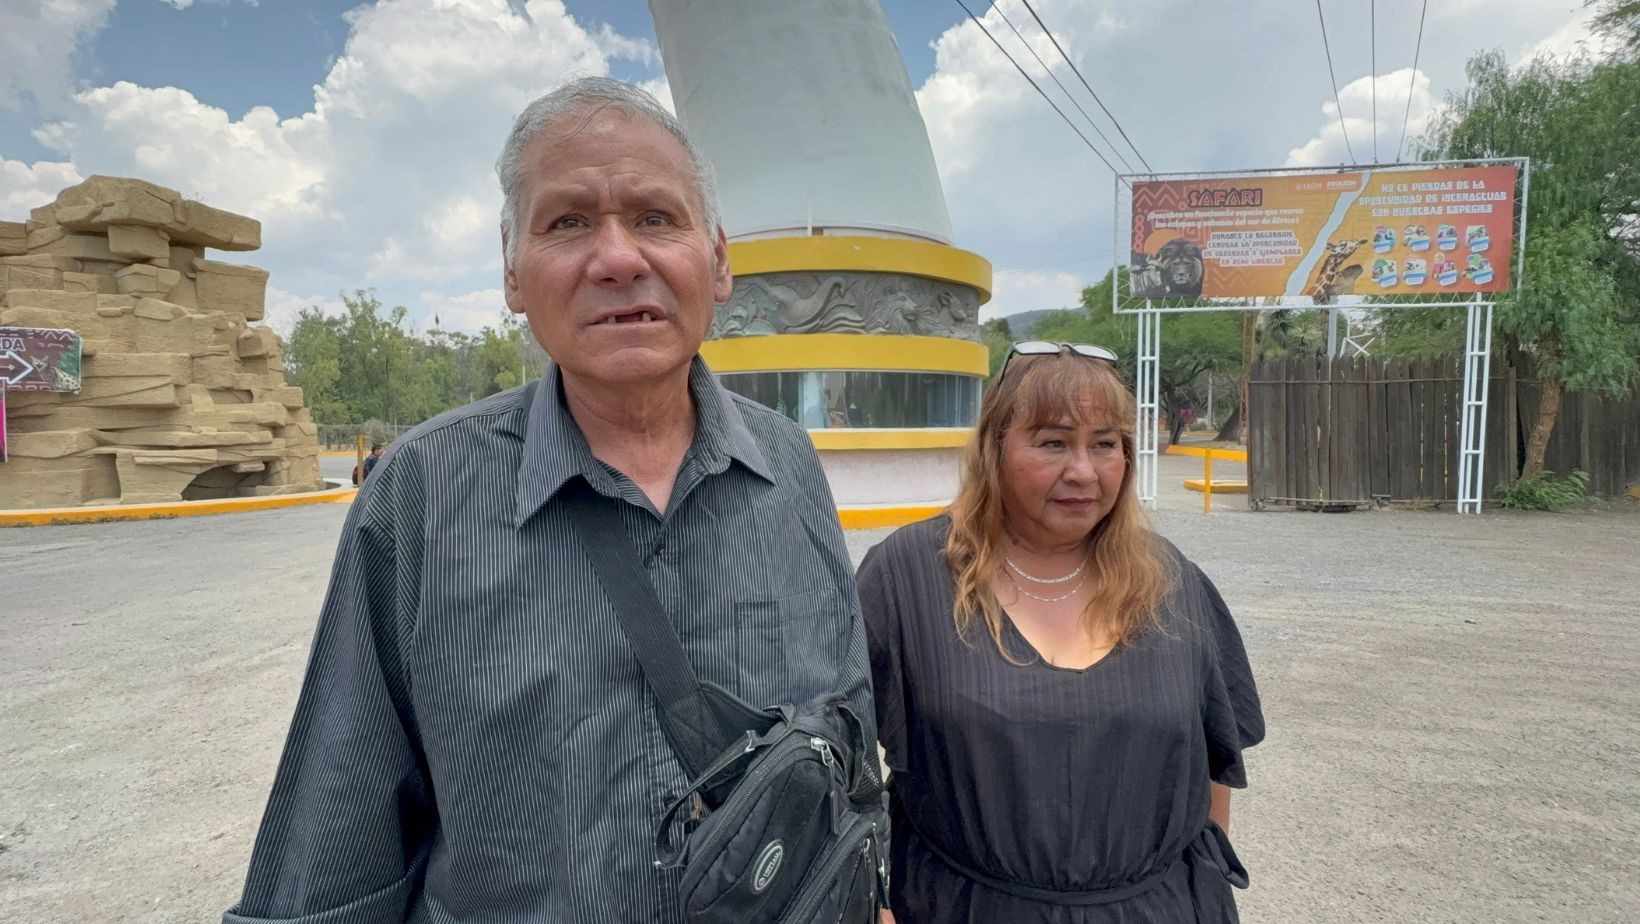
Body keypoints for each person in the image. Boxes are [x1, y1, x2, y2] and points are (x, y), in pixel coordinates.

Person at [225, 77, 877, 923]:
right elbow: (338, 825)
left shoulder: (789, 466)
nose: (617, 257)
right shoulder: (422, 492)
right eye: (568, 222)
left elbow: (846, 731)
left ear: (717, 261)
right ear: (512, 273)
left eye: (655, 217)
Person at [858, 341, 1264, 922]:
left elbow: (1211, 763)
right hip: (958, 906)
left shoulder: (1171, 581)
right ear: (995, 448)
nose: (1083, 470)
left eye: (1105, 445)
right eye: (1053, 442)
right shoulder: (907, 576)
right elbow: (838, 760)